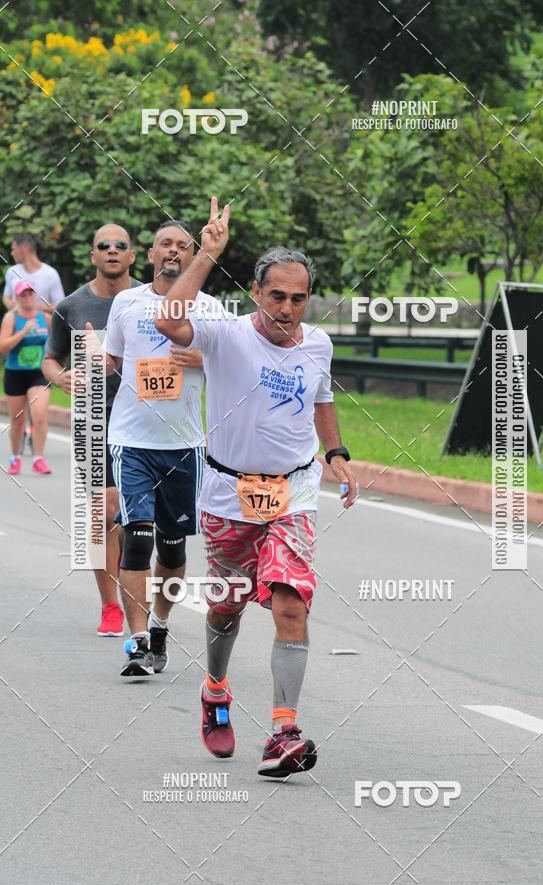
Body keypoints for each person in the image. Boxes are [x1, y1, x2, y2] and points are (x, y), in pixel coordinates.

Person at [156, 198, 358, 778]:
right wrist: (207, 254)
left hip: (293, 492)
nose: (288, 310)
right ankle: (216, 686)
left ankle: (283, 731)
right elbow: (170, 320)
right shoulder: (225, 333)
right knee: (226, 609)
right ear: (254, 292)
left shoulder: (316, 344)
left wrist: (337, 453)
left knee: (291, 602)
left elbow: (321, 399)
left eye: (299, 298)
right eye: (278, 296)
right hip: (227, 492)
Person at [103, 220, 222, 677]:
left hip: (184, 446)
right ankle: (134, 642)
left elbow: (237, 367)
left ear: (194, 256)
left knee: (171, 552)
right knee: (137, 539)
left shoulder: (210, 310)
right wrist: (92, 365)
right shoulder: (126, 303)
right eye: (165, 244)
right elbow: (114, 360)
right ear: (149, 255)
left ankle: (159, 625)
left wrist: (203, 358)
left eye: (183, 246)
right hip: (132, 441)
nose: (173, 251)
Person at [42, 225, 138, 638]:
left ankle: (139, 597)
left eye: (121, 246)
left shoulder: (151, 301)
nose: (112, 251)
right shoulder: (72, 305)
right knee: (102, 514)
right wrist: (60, 379)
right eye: (104, 246)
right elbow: (50, 359)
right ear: (93, 255)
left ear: (133, 256)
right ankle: (111, 606)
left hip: (143, 425)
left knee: (140, 521)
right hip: (94, 421)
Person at [0, 281, 52, 475]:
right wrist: (23, 332)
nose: (27, 298)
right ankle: (15, 457)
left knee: (39, 415)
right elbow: (2, 347)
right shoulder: (10, 318)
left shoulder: (45, 318)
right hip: (15, 373)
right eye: (23, 295)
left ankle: (39, 458)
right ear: (17, 298)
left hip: (38, 373)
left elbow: (55, 343)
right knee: (17, 420)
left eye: (31, 294)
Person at [3, 233, 64, 313]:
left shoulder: (50, 274)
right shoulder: (12, 271)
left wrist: (32, 307)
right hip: (16, 324)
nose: (12, 253)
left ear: (24, 249)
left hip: (41, 324)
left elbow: (60, 307)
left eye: (14, 249)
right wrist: (13, 306)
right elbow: (6, 297)